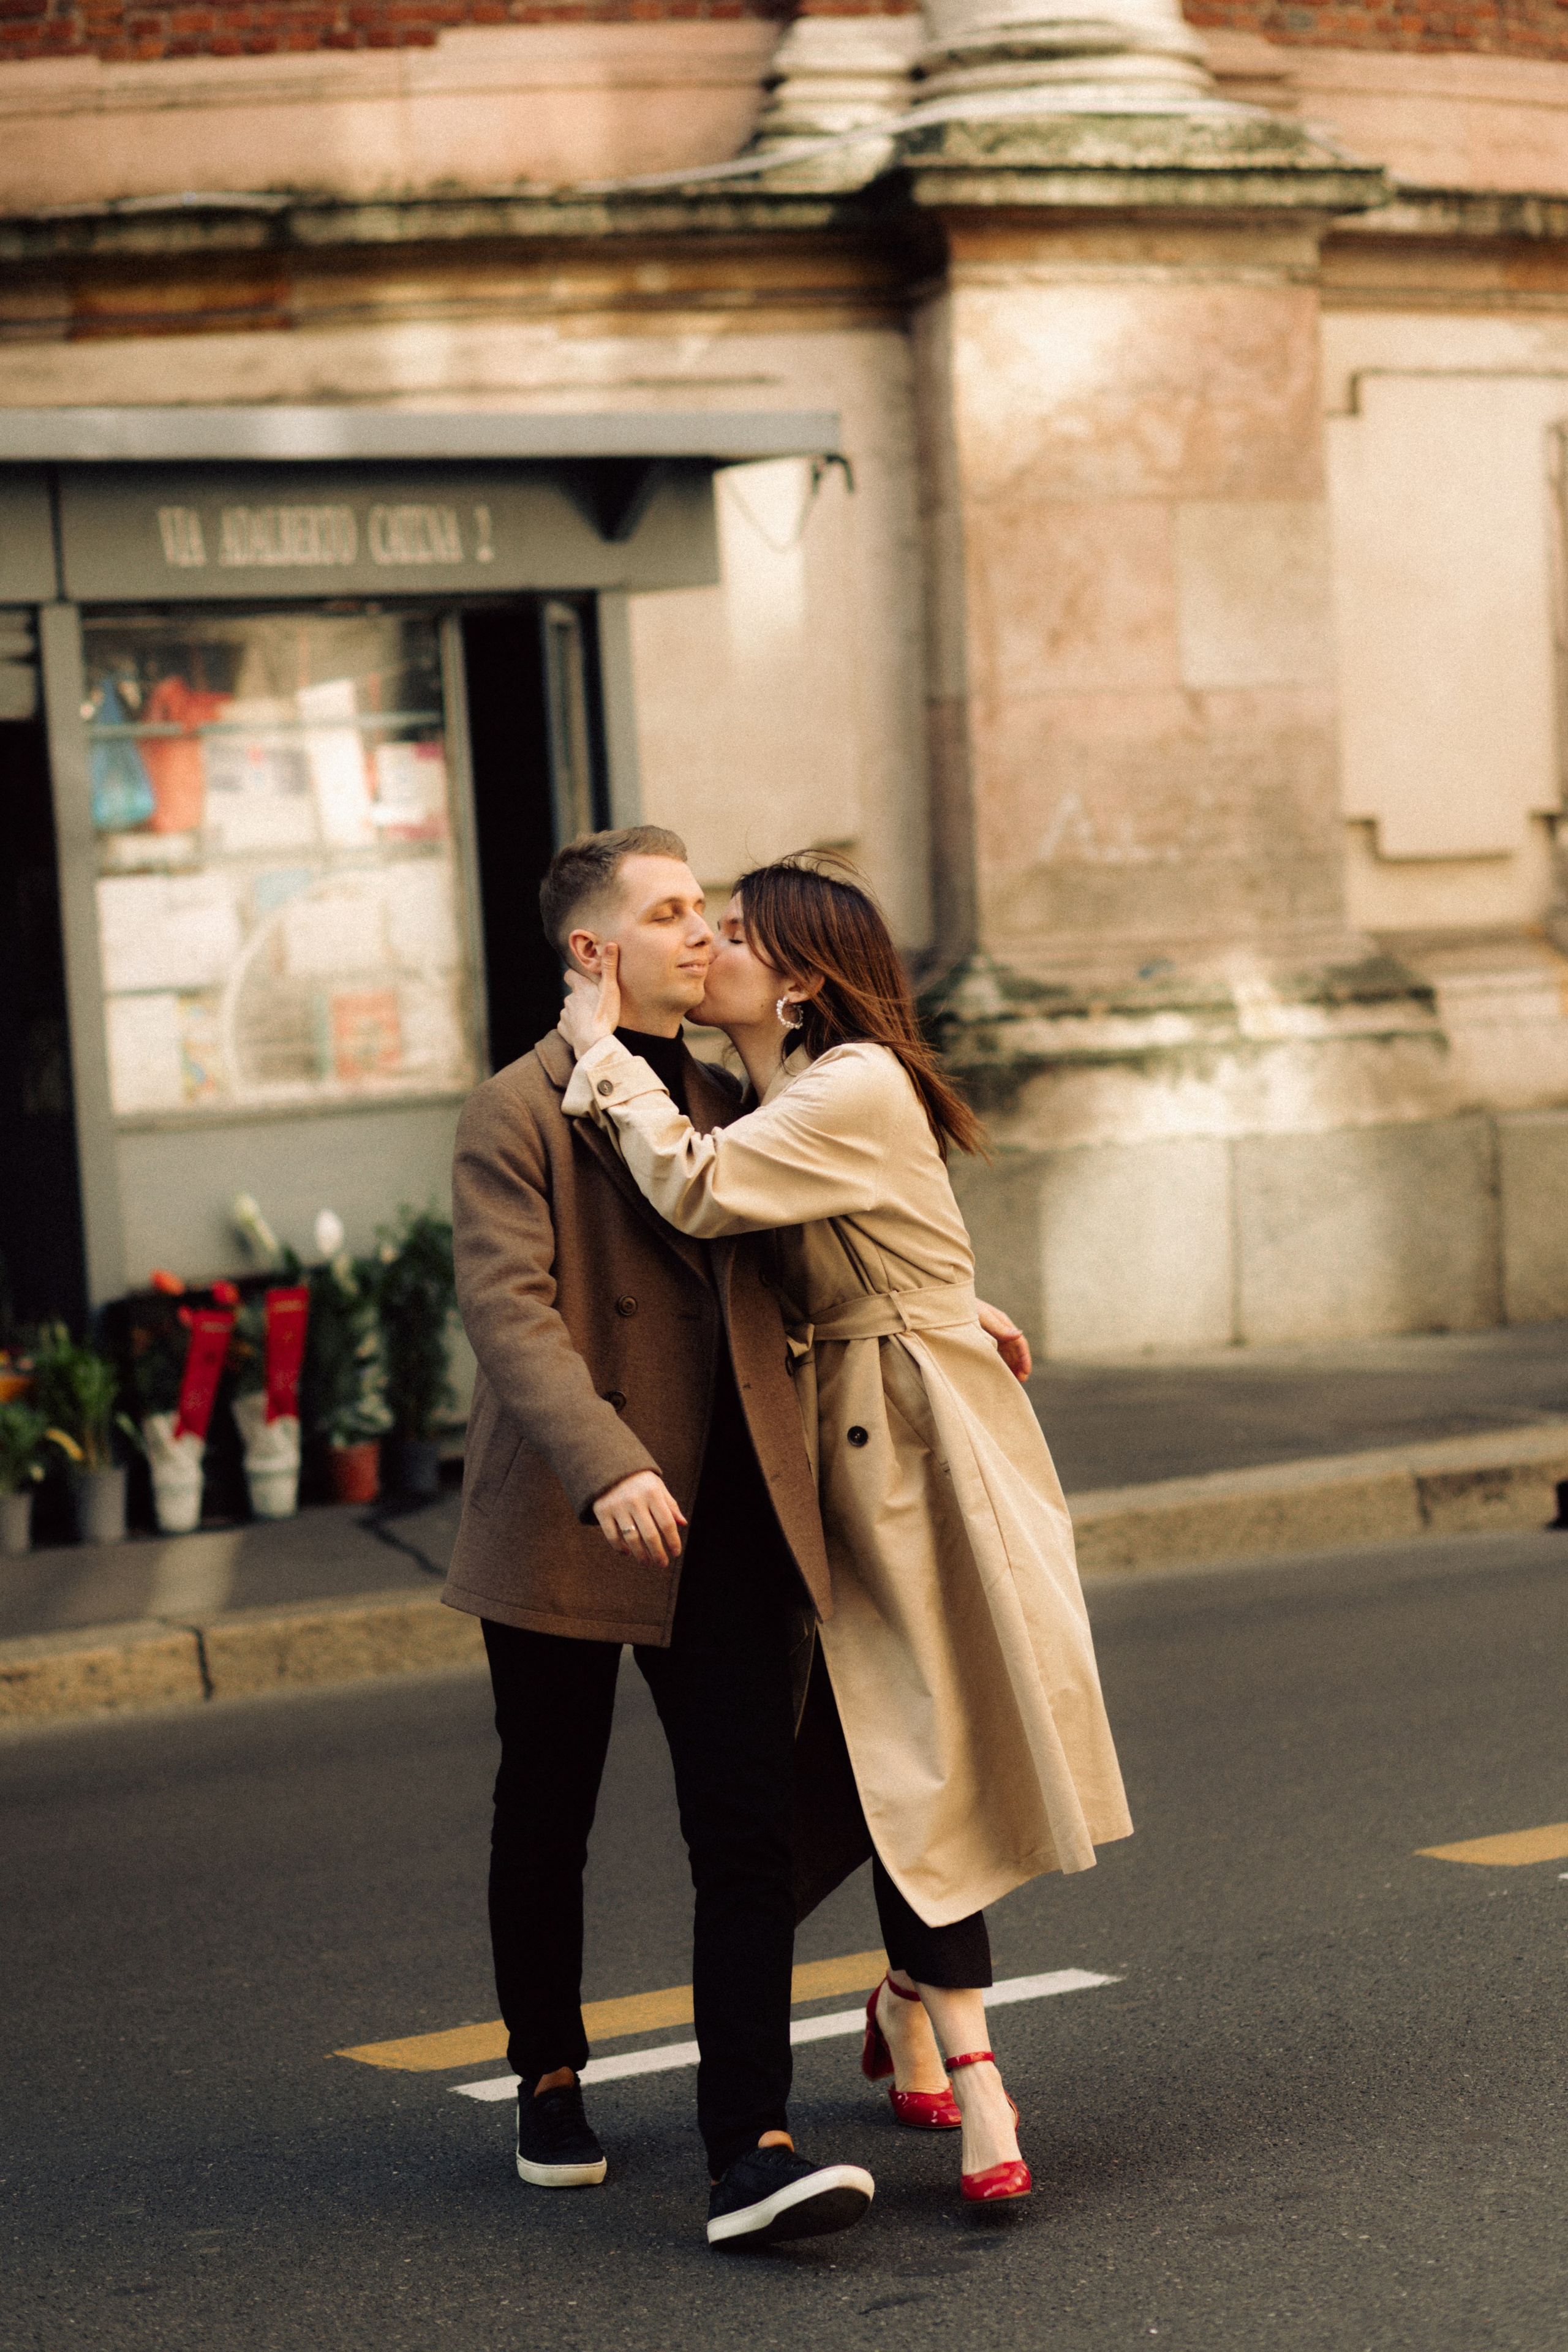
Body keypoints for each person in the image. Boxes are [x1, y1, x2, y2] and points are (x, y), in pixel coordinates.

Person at [559, 855, 1135, 2209]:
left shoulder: (848, 1083)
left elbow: (696, 1188)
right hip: (848, 1437)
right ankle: (908, 1999)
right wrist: (953, 1297)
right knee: (894, 1750)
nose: (708, 952)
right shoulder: (780, 1086)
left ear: (803, 979)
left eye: (737, 936)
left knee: (915, 1745)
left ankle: (972, 2066)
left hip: (919, 1451)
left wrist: (599, 1054)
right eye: (695, 929)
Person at [441, 825, 876, 2248]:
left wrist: (933, 1318)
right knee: (546, 1804)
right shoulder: (516, 1110)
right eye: (672, 913)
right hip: (578, 1512)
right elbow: (512, 1315)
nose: (704, 935)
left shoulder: (725, 1090)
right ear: (592, 949)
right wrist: (606, 1465)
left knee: (744, 1828)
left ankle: (748, 2139)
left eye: (706, 911)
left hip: (734, 1506)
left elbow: (809, 1249)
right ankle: (548, 2074)